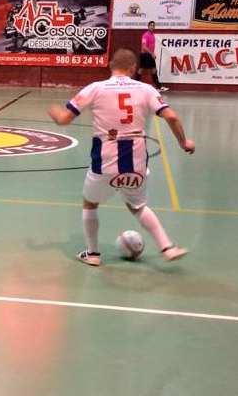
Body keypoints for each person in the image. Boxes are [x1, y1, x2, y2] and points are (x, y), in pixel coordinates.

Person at [47, 48, 195, 267]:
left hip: (104, 161)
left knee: (90, 203)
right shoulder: (146, 89)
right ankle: (168, 247)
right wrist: (184, 142)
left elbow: (64, 119)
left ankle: (93, 254)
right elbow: (171, 117)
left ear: (110, 65)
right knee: (138, 206)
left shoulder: (95, 88)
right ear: (133, 68)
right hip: (136, 161)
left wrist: (54, 112)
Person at [140, 20, 167, 92]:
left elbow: (151, 47)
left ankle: (158, 87)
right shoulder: (145, 35)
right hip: (144, 55)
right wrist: (151, 53)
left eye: (153, 26)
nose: (152, 27)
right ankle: (135, 85)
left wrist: (152, 53)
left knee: (154, 70)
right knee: (140, 70)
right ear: (148, 26)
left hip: (150, 55)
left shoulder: (153, 35)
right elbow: (144, 47)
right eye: (151, 25)